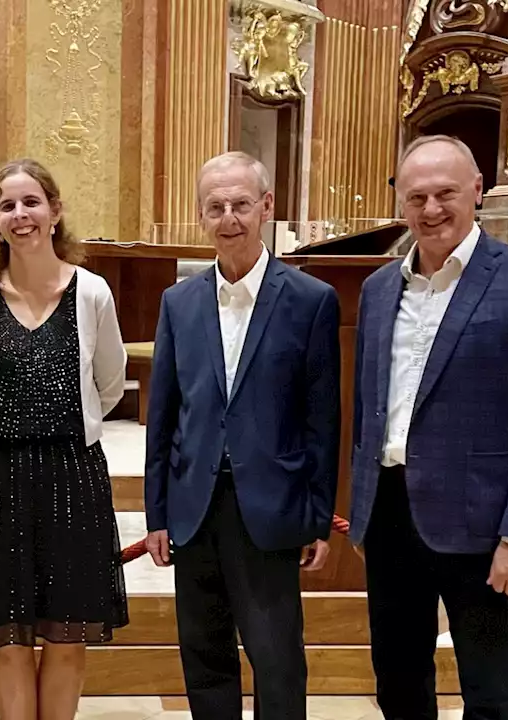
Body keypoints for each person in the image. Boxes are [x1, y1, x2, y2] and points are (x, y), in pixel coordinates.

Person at [348, 135, 508, 720]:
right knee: (397, 675)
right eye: (416, 196)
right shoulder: (378, 290)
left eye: (445, 193)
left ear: (478, 190)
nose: (430, 210)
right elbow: (370, 407)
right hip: (392, 514)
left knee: (488, 680)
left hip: (482, 523)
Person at [143, 151, 340, 719]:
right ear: (202, 216)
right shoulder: (178, 302)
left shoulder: (309, 301)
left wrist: (319, 515)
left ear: (267, 207)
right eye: (215, 207)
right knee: (204, 658)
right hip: (194, 507)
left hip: (270, 509)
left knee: (277, 661)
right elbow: (165, 414)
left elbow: (322, 421)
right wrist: (157, 513)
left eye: (241, 205)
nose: (229, 218)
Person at [0, 158, 129, 720]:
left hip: (73, 472)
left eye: (31, 202)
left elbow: (110, 383)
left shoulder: (93, 292)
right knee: (4, 636)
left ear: (54, 210)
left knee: (67, 632)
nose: (20, 214)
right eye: (7, 205)